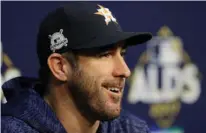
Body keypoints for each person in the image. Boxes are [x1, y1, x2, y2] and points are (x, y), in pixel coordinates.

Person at [1, 2, 152, 133]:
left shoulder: (132, 129)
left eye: (122, 54)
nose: (125, 71)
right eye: (105, 55)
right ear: (60, 67)